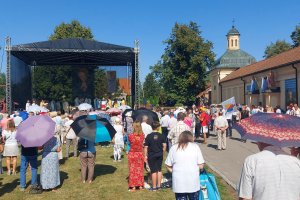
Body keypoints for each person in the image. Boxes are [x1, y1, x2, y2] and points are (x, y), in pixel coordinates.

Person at [165, 131, 205, 200]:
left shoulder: (174, 147)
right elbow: (201, 165)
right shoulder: (195, 147)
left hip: (179, 182)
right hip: (193, 182)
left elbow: (168, 165)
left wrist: (174, 171)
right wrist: (193, 168)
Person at [144, 121, 166, 191]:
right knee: (159, 170)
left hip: (151, 155)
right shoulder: (161, 135)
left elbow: (146, 147)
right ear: (158, 127)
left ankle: (154, 187)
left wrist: (145, 155)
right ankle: (159, 186)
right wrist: (163, 152)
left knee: (153, 171)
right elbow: (164, 146)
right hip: (159, 154)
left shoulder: (148, 136)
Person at [127, 122, 145, 191]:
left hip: (132, 154)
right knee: (140, 170)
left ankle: (133, 186)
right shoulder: (143, 135)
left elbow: (129, 144)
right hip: (140, 154)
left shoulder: (130, 136)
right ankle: (140, 186)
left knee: (132, 170)